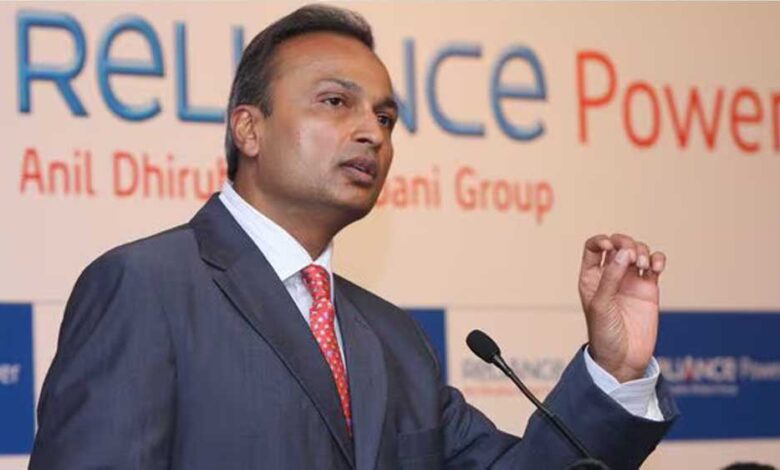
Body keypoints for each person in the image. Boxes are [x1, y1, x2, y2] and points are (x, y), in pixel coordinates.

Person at [29, 5, 678, 469]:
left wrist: (614, 370)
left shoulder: (392, 338)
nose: (373, 132)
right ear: (249, 129)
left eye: (386, 117)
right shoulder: (147, 288)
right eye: (336, 102)